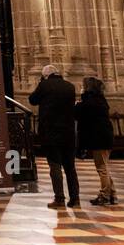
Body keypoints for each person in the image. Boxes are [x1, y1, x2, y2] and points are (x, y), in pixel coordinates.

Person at [29, 64, 80, 209]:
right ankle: (75, 198)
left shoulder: (45, 85)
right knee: (70, 167)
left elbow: (32, 99)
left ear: (45, 75)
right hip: (69, 132)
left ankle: (59, 198)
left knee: (55, 166)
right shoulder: (70, 86)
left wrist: (41, 83)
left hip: (50, 132)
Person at [75, 76, 116, 206]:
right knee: (104, 166)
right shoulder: (100, 99)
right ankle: (112, 194)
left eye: (83, 85)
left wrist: (77, 105)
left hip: (99, 138)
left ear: (88, 87)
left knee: (102, 168)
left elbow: (78, 113)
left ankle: (105, 195)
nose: (81, 87)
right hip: (105, 136)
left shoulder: (90, 101)